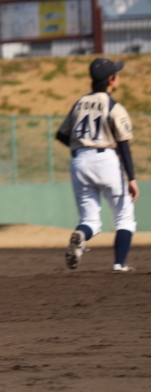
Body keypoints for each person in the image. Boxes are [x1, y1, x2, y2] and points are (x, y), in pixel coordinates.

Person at [56, 57, 139, 272]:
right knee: (124, 216)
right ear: (111, 79)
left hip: (79, 160)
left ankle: (81, 235)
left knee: (90, 219)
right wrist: (131, 179)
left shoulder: (79, 104)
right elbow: (123, 146)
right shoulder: (113, 105)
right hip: (106, 160)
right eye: (116, 74)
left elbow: (62, 134)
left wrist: (81, 147)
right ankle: (119, 264)